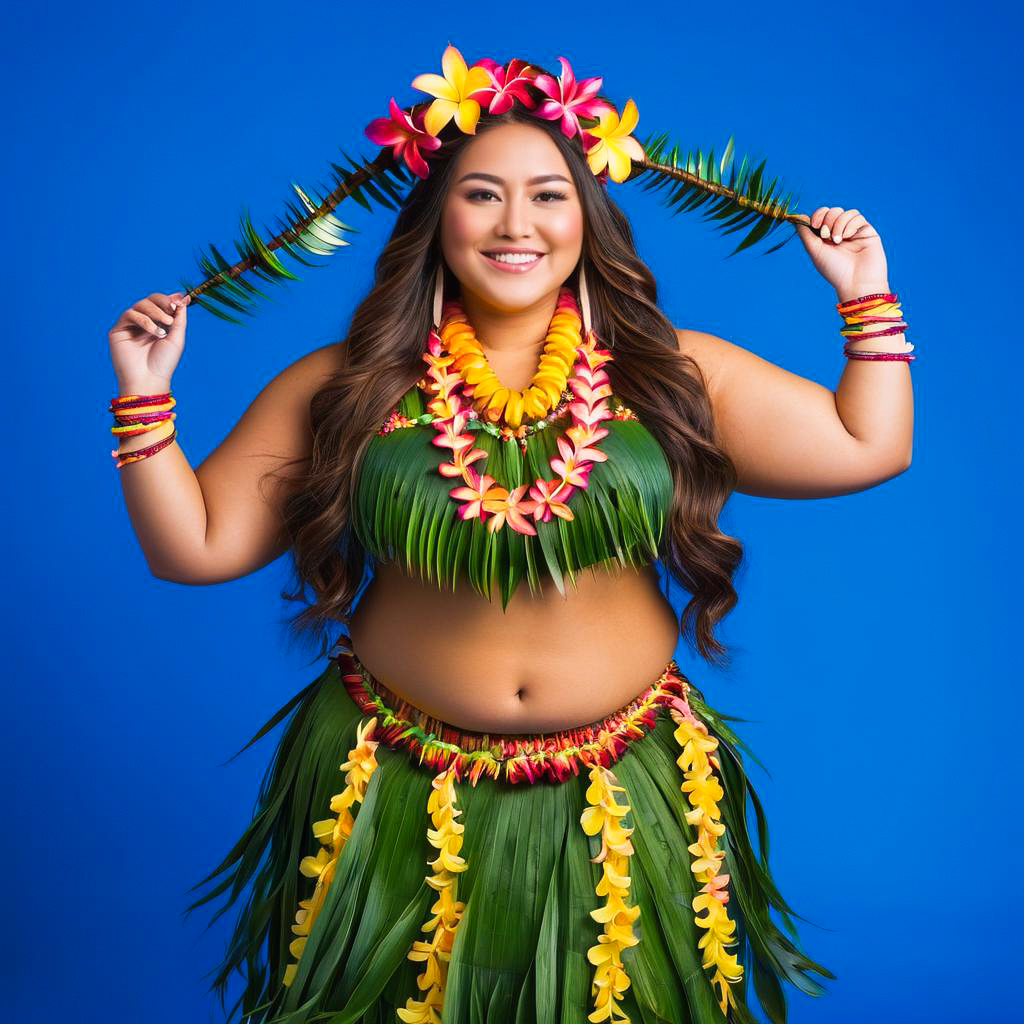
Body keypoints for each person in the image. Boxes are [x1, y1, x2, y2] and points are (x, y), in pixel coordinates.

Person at [106, 47, 914, 1024]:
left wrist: (862, 293)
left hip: (619, 802)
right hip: (392, 789)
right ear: (435, 215)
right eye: (482, 195)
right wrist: (145, 404)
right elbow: (192, 546)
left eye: (547, 196)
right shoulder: (351, 384)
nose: (516, 225)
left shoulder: (667, 372)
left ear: (588, 215)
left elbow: (867, 445)